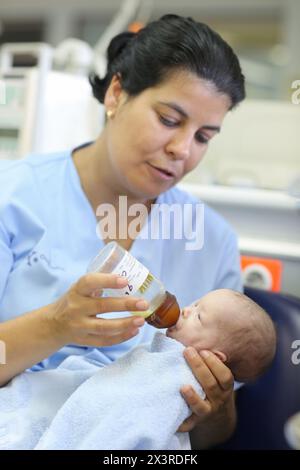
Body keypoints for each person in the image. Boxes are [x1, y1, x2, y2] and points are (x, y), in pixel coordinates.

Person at [0, 14, 246, 449]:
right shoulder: (13, 197)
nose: (183, 150)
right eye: (170, 119)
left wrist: (217, 406)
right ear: (117, 92)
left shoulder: (213, 241)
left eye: (204, 136)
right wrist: (56, 325)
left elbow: (214, 433)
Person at [33, 289, 276, 450]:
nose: (186, 310)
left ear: (215, 357)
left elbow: (135, 424)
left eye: (199, 317)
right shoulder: (160, 356)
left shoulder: (180, 379)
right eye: (194, 304)